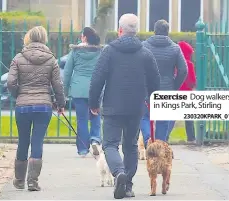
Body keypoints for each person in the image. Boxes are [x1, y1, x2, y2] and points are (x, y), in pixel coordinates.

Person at [89, 14, 160, 199]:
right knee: (130, 146)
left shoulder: (109, 51)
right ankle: (127, 185)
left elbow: (97, 79)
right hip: (136, 107)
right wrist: (152, 100)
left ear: (120, 30)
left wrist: (93, 103)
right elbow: (155, 80)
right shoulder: (145, 53)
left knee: (110, 144)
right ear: (135, 31)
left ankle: (118, 172)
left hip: (113, 105)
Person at [7, 26, 65, 191]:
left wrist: (18, 94)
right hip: (43, 106)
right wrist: (60, 104)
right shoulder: (51, 60)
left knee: (23, 140)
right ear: (44, 39)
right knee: (37, 141)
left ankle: (19, 180)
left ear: (28, 38)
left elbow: (10, 82)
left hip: (23, 106)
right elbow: (58, 85)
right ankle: (33, 181)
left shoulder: (18, 58)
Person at [140, 19, 188, 142]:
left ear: (154, 31)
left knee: (144, 116)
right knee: (163, 119)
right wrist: (174, 86)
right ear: (168, 32)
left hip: (147, 89)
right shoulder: (175, 48)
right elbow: (183, 70)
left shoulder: (144, 46)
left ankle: (148, 139)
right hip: (166, 89)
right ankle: (160, 146)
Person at [63, 27, 102, 157]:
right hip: (95, 89)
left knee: (82, 119)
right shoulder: (99, 51)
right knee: (95, 115)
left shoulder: (75, 51)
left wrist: (65, 90)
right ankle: (95, 139)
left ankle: (83, 149)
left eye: (81, 36)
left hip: (78, 89)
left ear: (84, 37)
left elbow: (67, 72)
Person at [167, 41, 197, 142]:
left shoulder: (173, 64)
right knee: (189, 118)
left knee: (171, 117)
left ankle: (165, 136)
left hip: (175, 92)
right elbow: (192, 81)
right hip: (187, 94)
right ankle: (191, 137)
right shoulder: (189, 64)